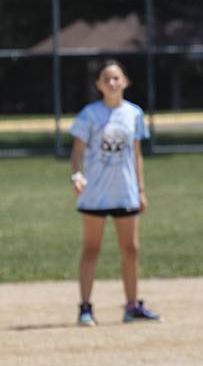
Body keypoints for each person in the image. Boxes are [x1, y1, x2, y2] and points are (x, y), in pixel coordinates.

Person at [69, 60, 161, 326]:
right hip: (95, 192)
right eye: (106, 79)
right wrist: (77, 175)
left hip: (124, 190)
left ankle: (132, 305)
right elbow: (77, 151)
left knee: (131, 249)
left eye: (116, 78)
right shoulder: (90, 114)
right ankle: (85, 308)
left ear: (125, 82)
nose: (112, 83)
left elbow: (136, 154)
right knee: (91, 249)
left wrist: (141, 189)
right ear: (98, 85)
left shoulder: (133, 113)